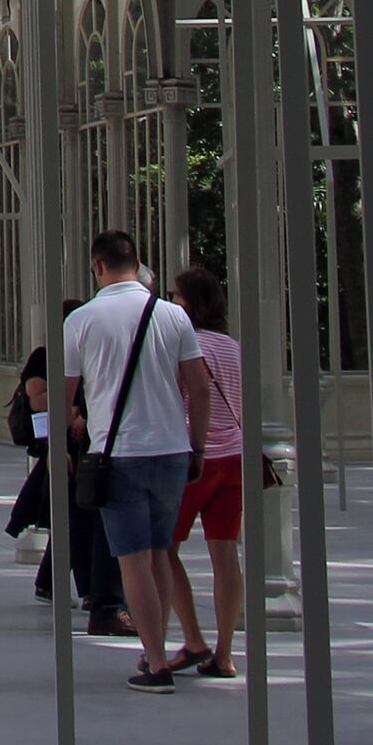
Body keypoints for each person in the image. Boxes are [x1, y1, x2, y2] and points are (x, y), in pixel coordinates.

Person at [60, 229, 214, 694]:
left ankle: (157, 664)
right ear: (137, 262)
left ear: (98, 266)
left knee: (133, 561)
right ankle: (156, 648)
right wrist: (198, 445)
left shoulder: (82, 320)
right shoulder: (172, 316)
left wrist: (59, 444)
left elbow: (64, 396)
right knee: (162, 552)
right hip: (170, 450)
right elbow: (200, 388)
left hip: (117, 453)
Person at [6, 310, 122, 630]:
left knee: (77, 519)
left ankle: (50, 582)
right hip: (61, 447)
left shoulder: (88, 353)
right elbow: (36, 399)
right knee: (78, 519)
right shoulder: (45, 356)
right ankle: (86, 590)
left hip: (88, 446)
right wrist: (72, 413)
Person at [160, 267, 245, 681]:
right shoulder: (233, 347)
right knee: (226, 556)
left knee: (165, 546)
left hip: (199, 456)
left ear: (188, 303)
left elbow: (190, 394)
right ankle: (225, 652)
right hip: (235, 459)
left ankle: (193, 637)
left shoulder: (185, 343)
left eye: (175, 295)